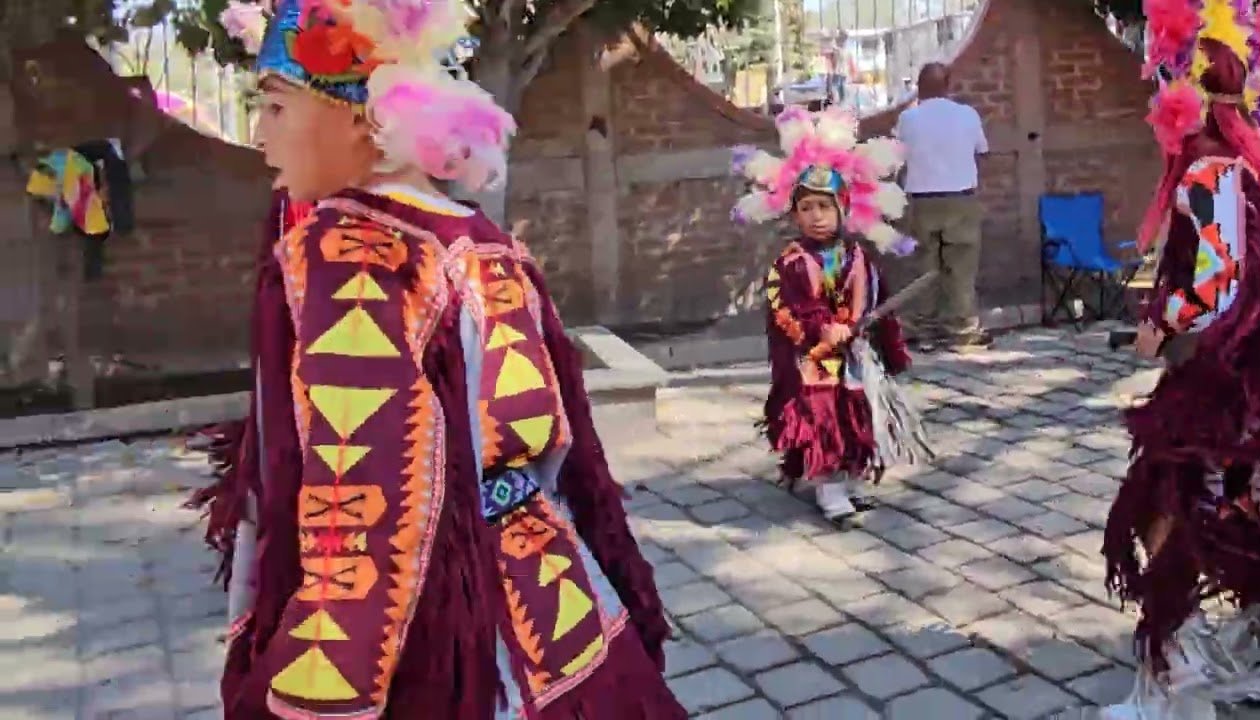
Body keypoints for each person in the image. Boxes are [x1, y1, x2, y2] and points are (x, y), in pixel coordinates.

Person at [186, 0, 683, 717]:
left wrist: (312, 691)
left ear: (358, 115)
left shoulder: (350, 246)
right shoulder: (483, 236)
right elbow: (568, 450)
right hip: (552, 583)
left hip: (440, 626)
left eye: (274, 107)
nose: (259, 136)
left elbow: (367, 498)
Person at [1101, 2, 1260, 716]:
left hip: (1220, 380)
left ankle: (1176, 685)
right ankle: (1258, 656)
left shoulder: (1207, 169)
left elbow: (1215, 281)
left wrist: (1160, 324)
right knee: (1253, 509)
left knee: (1165, 512)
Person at [731, 106, 931, 529]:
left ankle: (848, 477)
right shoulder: (792, 261)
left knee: (854, 414)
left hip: (854, 357)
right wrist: (823, 326)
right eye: (806, 208)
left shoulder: (858, 256)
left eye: (824, 206)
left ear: (844, 207)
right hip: (813, 361)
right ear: (794, 213)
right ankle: (828, 487)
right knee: (821, 418)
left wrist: (887, 346)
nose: (816, 215)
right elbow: (786, 306)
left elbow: (879, 298)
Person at [894, 62, 990, 349]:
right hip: (960, 198)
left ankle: (923, 330)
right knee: (961, 267)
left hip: (922, 200)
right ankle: (962, 330)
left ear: (919, 88)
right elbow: (982, 151)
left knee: (925, 267)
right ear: (948, 85)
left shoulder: (908, 118)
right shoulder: (967, 114)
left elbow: (897, 156)